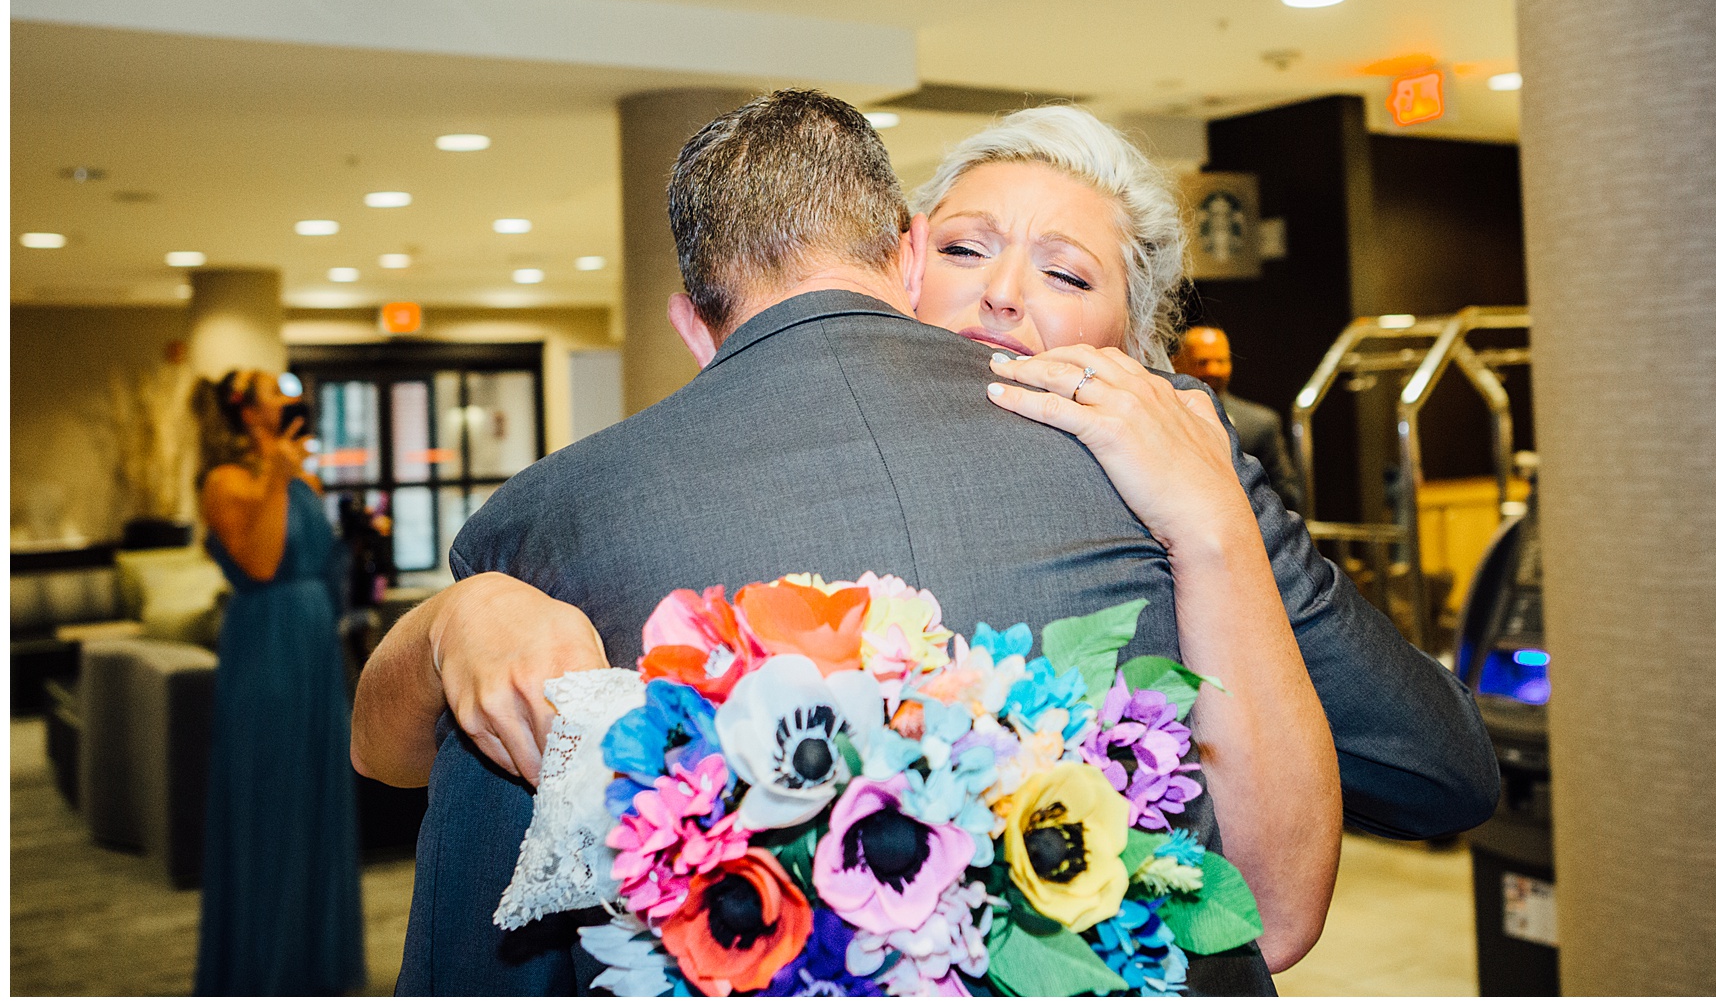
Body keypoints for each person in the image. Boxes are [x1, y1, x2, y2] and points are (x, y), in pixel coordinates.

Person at [354, 95, 1498, 993]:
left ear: (1135, 348)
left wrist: (1213, 526)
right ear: (899, 264)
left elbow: (1432, 769)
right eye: (966, 250)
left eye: (1063, 273)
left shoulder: (1185, 475)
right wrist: (460, 613)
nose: (1002, 296)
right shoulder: (641, 499)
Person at [192, 370, 365, 995]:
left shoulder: (303, 475)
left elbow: (326, 564)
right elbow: (262, 562)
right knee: (272, 798)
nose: (285, 396)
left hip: (315, 647)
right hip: (265, 650)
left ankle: (317, 964)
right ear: (245, 412)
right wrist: (277, 475)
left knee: (318, 796)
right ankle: (263, 969)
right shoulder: (226, 482)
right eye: (270, 388)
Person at [1171, 326, 1307, 514]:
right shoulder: (1161, 413)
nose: (1213, 370)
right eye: (1202, 362)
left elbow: (1285, 493)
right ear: (1176, 362)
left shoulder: (1260, 423)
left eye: (1221, 361)